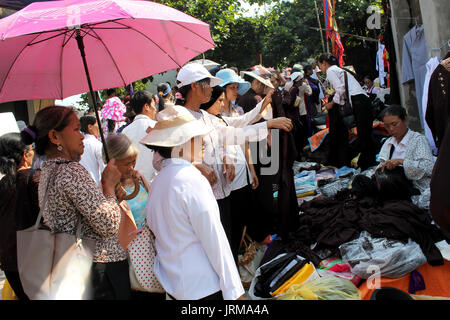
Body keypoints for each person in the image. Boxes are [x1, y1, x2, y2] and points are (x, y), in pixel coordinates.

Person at [176, 63, 292, 252]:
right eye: (208, 84)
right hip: (202, 196)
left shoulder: (205, 116)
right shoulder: (179, 117)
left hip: (223, 190)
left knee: (228, 242)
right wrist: (196, 164)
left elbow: (232, 133)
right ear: (195, 86)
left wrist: (266, 122)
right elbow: (165, 158)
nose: (212, 90)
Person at [24, 105, 130, 300]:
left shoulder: (48, 169)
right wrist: (108, 186)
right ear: (55, 137)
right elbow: (107, 224)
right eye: (75, 129)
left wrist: (109, 196)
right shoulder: (71, 170)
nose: (82, 136)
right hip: (98, 267)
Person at [141, 104, 245, 300]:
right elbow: (215, 238)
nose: (204, 142)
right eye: (196, 137)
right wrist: (235, 291)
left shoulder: (158, 182)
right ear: (180, 145)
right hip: (204, 288)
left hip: (175, 286)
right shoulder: (190, 179)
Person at [318, 53, 377, 170]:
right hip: (361, 100)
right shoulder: (338, 70)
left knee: (364, 135)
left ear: (324, 63)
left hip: (359, 101)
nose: (321, 69)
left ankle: (366, 164)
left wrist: (331, 103)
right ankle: (368, 162)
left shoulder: (330, 71)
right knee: (365, 134)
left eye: (320, 66)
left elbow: (340, 89)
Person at [0, 132, 37, 300]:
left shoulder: (3, 183)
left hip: (9, 261)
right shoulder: (33, 178)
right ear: (24, 154)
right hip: (37, 258)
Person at [377, 105, 435, 209]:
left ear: (405, 121)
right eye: (387, 126)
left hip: (415, 187)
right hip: (393, 185)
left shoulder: (418, 140)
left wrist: (401, 162)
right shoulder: (388, 143)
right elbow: (381, 164)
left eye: (394, 124)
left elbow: (429, 167)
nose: (391, 129)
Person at [122, 90, 158, 184]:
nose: (155, 109)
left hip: (136, 187)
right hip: (156, 182)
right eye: (154, 104)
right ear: (146, 106)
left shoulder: (125, 131)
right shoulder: (157, 127)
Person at [79, 115, 105, 186]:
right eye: (97, 124)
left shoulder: (75, 144)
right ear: (90, 127)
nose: (100, 127)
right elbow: (104, 169)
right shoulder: (97, 145)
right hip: (93, 185)